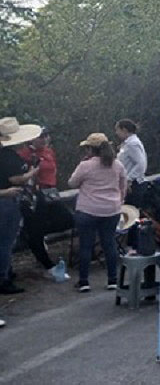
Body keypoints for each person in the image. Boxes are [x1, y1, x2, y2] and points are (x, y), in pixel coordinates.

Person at [68, 133, 127, 292]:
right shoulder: (117, 165)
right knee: (109, 244)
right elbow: (123, 186)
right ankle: (112, 279)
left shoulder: (85, 166)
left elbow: (72, 183)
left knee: (86, 246)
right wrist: (119, 202)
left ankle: (84, 281)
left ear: (90, 149)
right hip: (111, 209)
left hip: (88, 209)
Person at [16, 127, 72, 281]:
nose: (44, 139)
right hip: (35, 196)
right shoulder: (24, 154)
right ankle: (48, 266)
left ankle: (37, 235)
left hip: (51, 193)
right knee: (35, 231)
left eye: (46, 136)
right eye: (40, 137)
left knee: (67, 219)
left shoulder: (49, 152)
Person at [0, 117, 43, 295]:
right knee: (6, 242)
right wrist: (33, 172)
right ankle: (3, 278)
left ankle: (6, 271)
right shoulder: (8, 156)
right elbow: (16, 179)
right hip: (7, 201)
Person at [115, 119, 147, 203]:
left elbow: (141, 163)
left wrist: (129, 179)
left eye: (117, 130)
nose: (116, 133)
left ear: (124, 130)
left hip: (133, 185)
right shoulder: (128, 144)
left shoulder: (132, 144)